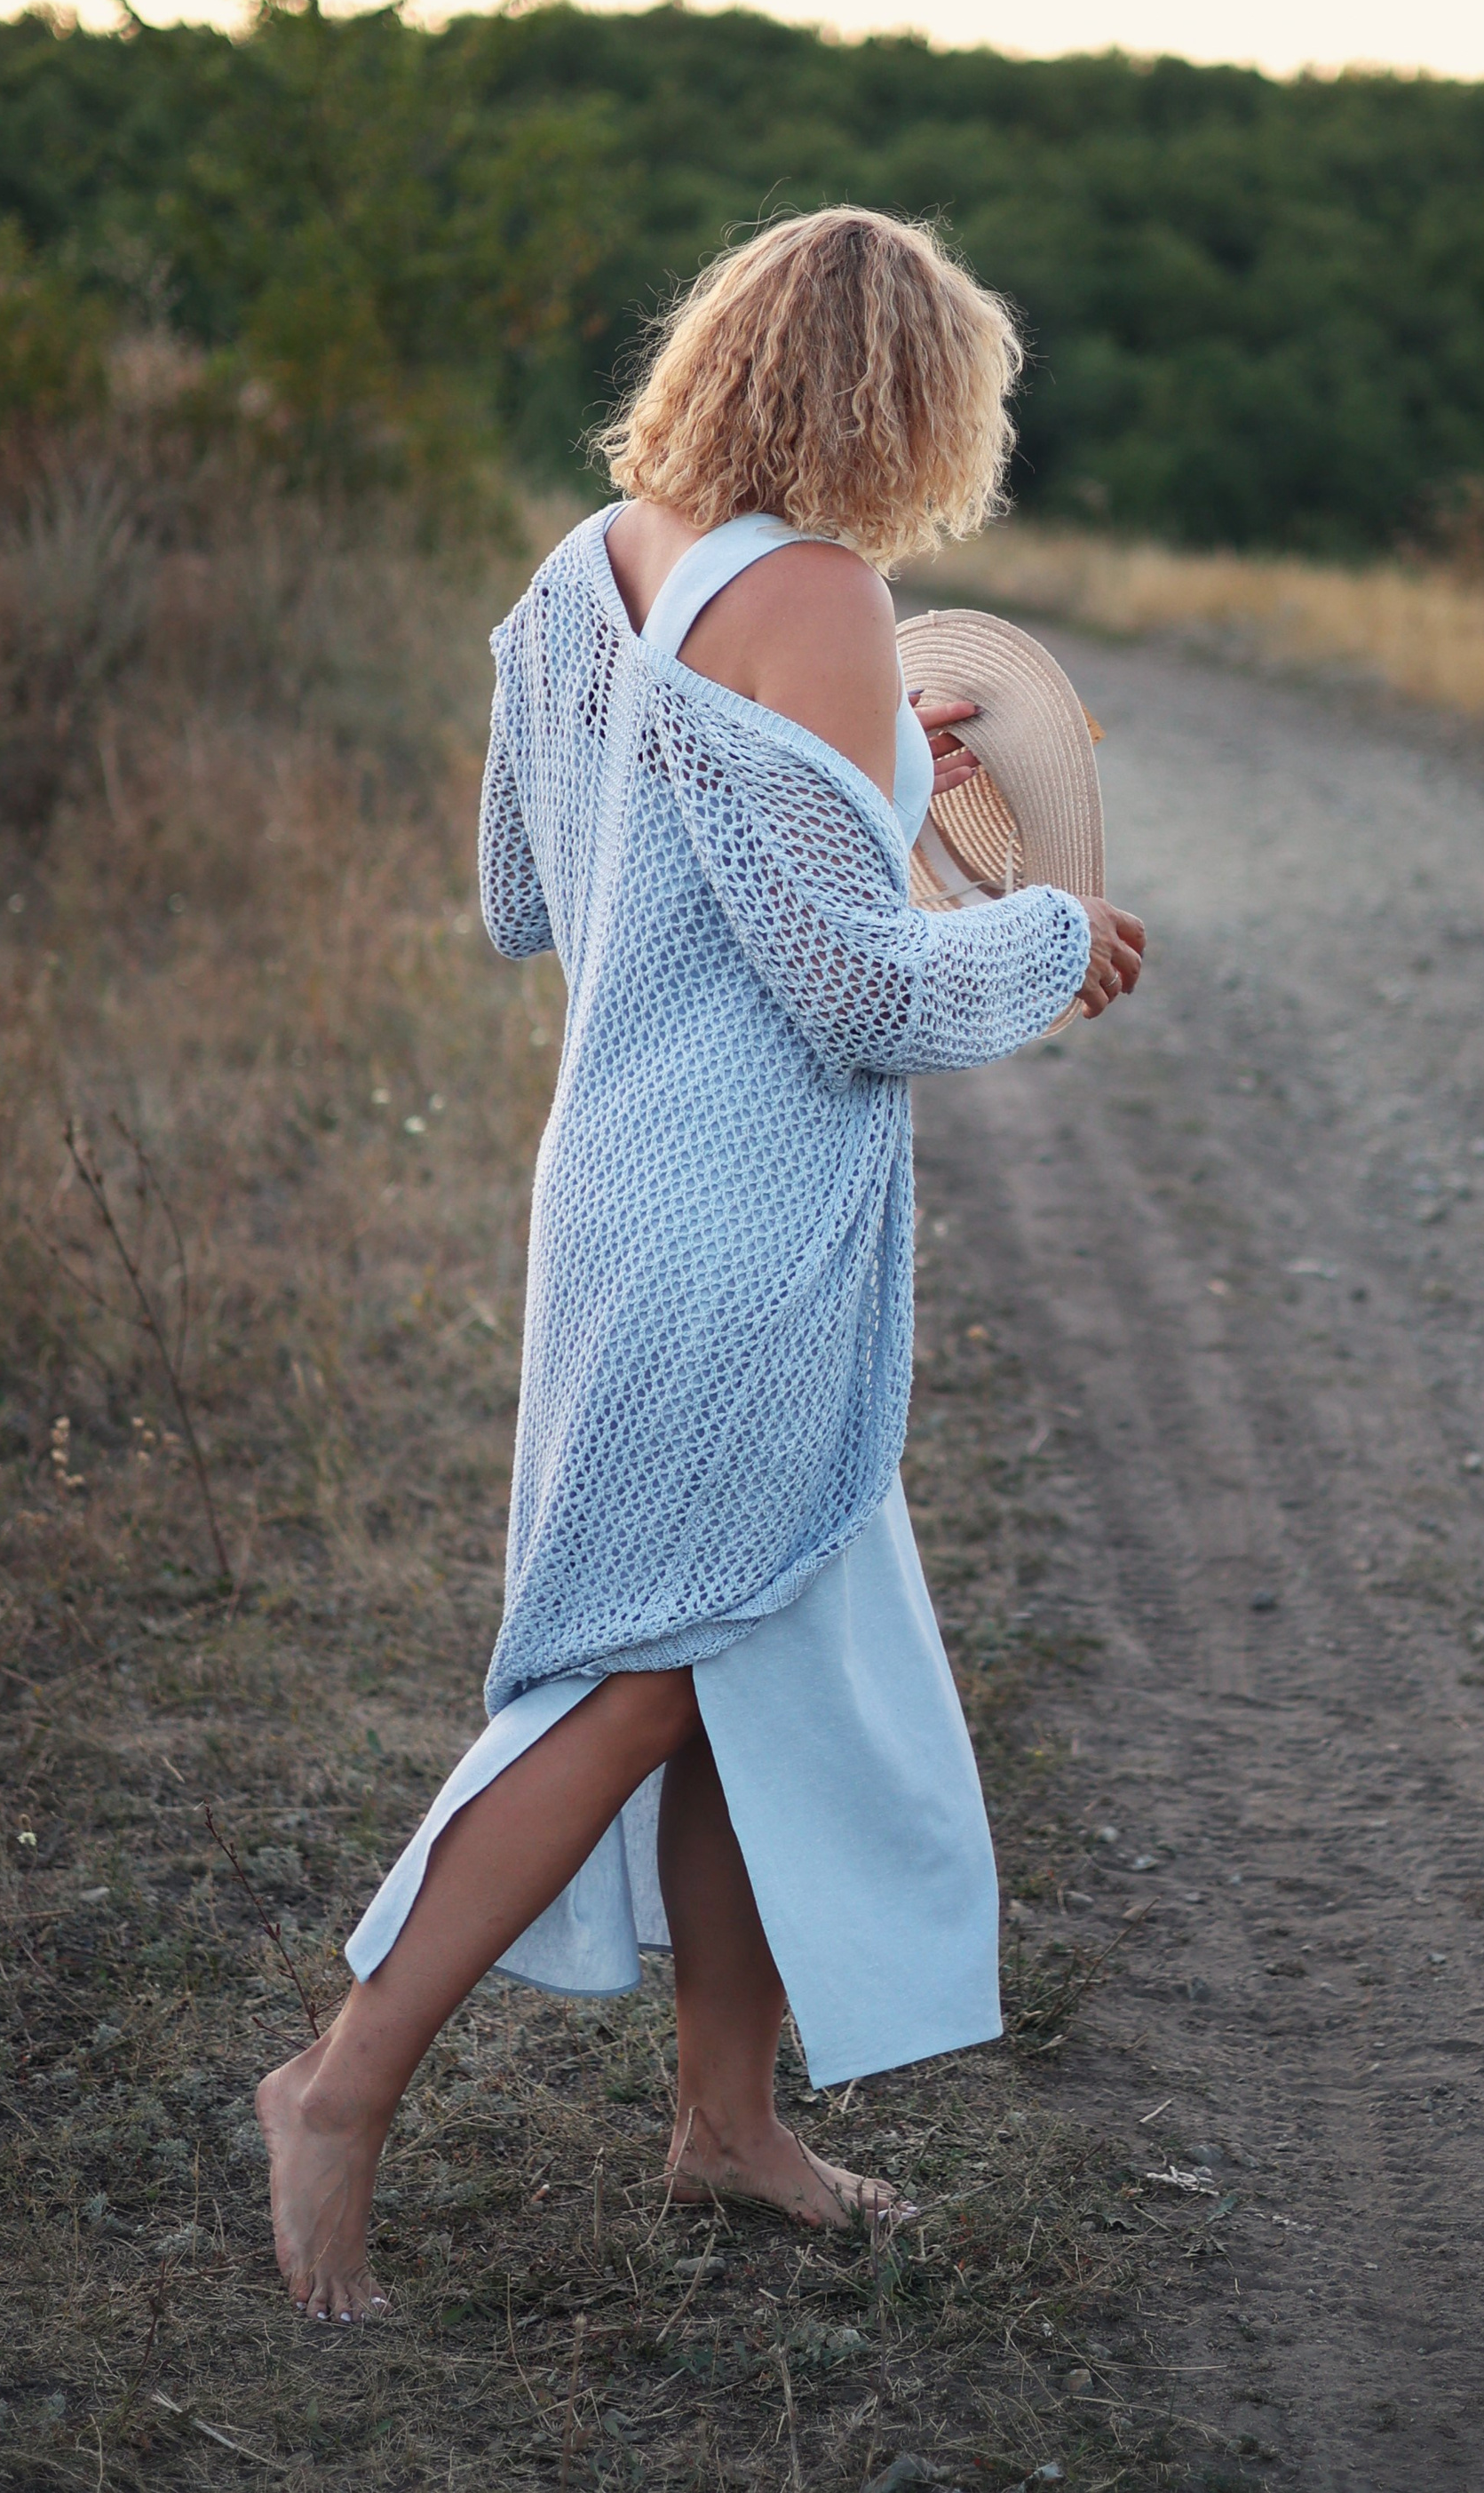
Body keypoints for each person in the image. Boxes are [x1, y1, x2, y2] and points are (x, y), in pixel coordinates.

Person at [256, 208, 1146, 2323]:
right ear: (911, 398)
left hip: (618, 1178)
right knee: (648, 1660)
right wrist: (1044, 939)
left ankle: (729, 2123)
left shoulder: (585, 568)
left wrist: (852, 789)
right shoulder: (824, 593)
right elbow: (853, 991)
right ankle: (338, 2081)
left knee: (758, 1645)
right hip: (741, 1214)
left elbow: (523, 884)